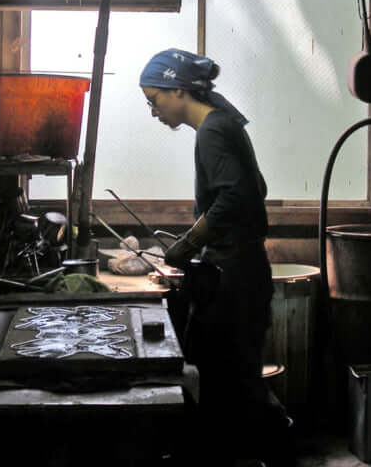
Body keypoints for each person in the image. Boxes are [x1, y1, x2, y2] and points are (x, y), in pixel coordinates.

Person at [139, 48, 294, 467]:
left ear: (178, 90)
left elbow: (234, 198)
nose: (153, 111)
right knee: (237, 377)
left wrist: (188, 244)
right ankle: (265, 452)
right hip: (242, 268)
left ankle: (267, 453)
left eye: (154, 99)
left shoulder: (212, 130)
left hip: (234, 276)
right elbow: (256, 187)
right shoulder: (224, 124)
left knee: (228, 380)